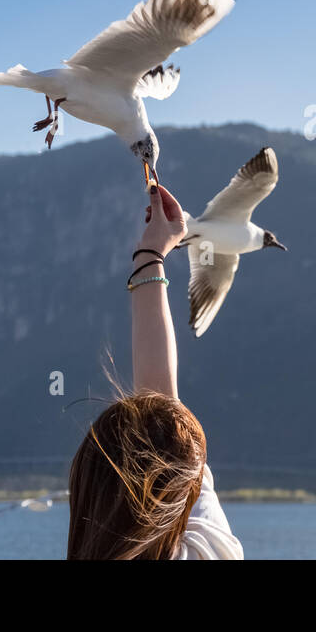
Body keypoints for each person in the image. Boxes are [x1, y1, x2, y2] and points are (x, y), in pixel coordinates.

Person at [66, 184, 244, 559]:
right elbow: (162, 405)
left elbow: (160, 408)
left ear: (88, 498)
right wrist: (150, 255)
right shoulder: (204, 552)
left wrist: (150, 254)